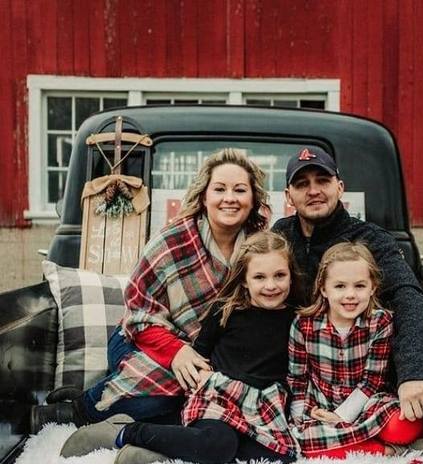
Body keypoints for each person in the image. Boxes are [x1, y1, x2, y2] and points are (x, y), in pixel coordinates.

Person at [272, 145, 423, 464]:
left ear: (340, 186)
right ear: (288, 195)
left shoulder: (370, 238)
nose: (313, 190)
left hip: (369, 359)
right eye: (302, 184)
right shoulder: (281, 236)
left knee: (417, 346)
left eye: (322, 180)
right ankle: (392, 447)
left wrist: (413, 373)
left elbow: (408, 295)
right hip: (310, 360)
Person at [30, 148, 271, 433]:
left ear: (253, 198)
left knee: (206, 395)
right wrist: (176, 351)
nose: (229, 198)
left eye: (240, 190)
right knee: (170, 389)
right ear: (204, 197)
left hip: (208, 352)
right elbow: (138, 311)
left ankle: (98, 398)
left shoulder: (259, 249)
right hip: (140, 337)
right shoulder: (174, 240)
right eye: (219, 189)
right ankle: (74, 411)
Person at [59, 231, 299, 464]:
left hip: (262, 406)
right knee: (219, 445)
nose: (271, 285)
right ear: (244, 280)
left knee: (282, 455)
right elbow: (200, 353)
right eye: (259, 277)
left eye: (279, 275)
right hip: (220, 398)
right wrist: (204, 376)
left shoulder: (296, 319)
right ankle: (126, 432)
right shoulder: (226, 311)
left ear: (291, 276)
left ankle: (164, 451)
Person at [289, 242, 423, 459]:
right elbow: (298, 379)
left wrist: (342, 417)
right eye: (340, 286)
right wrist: (300, 417)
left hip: (366, 401)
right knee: (304, 442)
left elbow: (372, 381)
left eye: (360, 286)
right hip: (322, 405)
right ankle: (390, 451)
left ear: (373, 287)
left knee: (404, 426)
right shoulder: (304, 325)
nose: (350, 295)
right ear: (323, 289)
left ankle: (353, 442)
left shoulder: (380, 322)